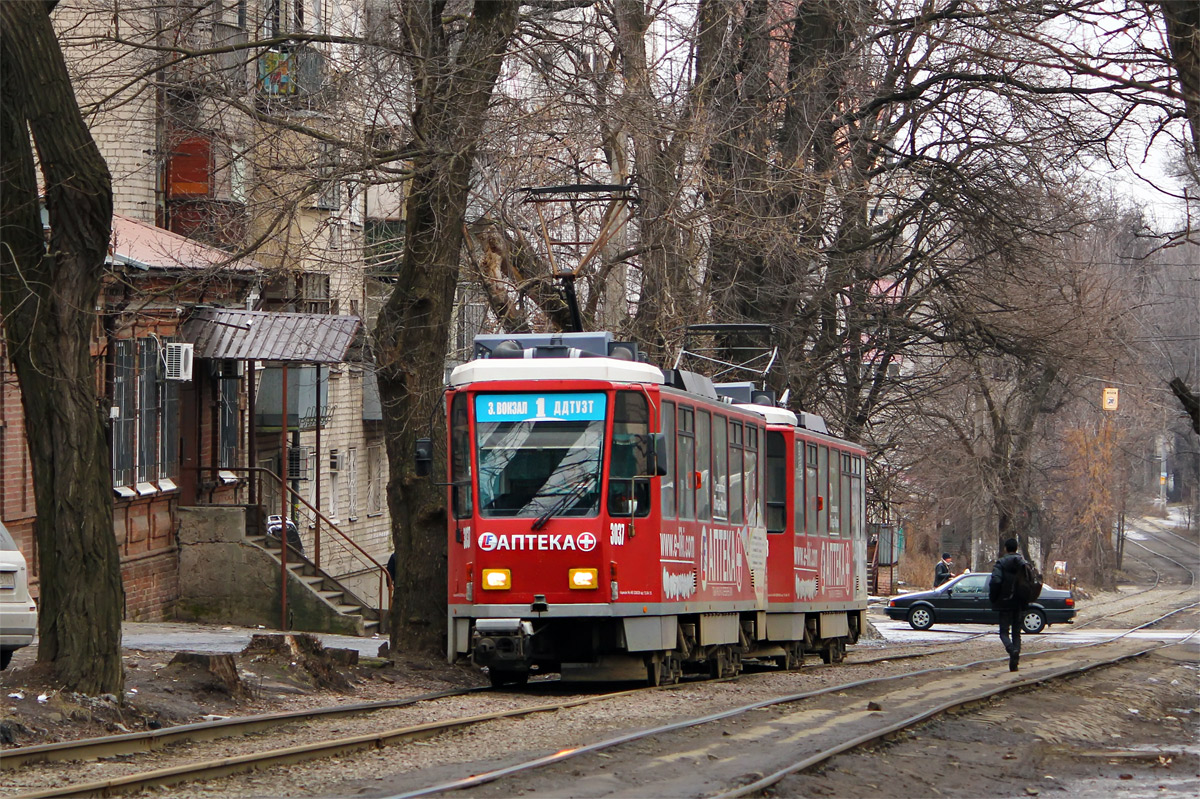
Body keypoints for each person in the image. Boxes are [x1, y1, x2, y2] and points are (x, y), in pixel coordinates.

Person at [989, 538, 1027, 672]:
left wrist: (994, 597)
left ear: (1006, 548)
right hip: (1020, 602)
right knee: (1017, 632)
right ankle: (1014, 662)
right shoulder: (1023, 564)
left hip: (1004, 602)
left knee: (1004, 632)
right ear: (1016, 548)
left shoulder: (1000, 563)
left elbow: (996, 581)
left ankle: (1011, 650)